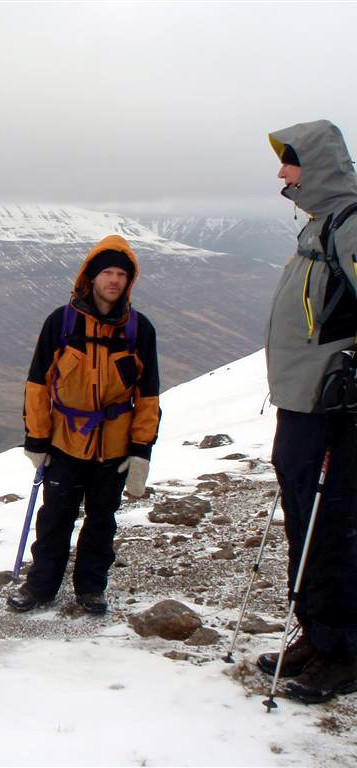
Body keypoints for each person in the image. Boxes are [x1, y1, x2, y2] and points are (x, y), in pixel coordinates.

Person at [9, 234, 160, 614]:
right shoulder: (61, 323)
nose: (113, 280)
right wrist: (37, 440)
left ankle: (91, 588)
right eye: (106, 272)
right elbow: (38, 385)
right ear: (90, 277)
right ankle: (41, 586)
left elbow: (148, 395)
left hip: (114, 445)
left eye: (121, 274)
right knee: (55, 517)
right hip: (64, 442)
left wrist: (141, 450)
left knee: (101, 521)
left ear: (129, 281)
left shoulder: (140, 330)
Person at [260, 119, 357, 703]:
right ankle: (317, 635)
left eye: (289, 162)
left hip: (335, 412)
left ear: (314, 165)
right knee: (305, 521)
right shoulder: (321, 225)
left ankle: (344, 650)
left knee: (336, 526)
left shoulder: (350, 224)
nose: (281, 173)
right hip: (301, 404)